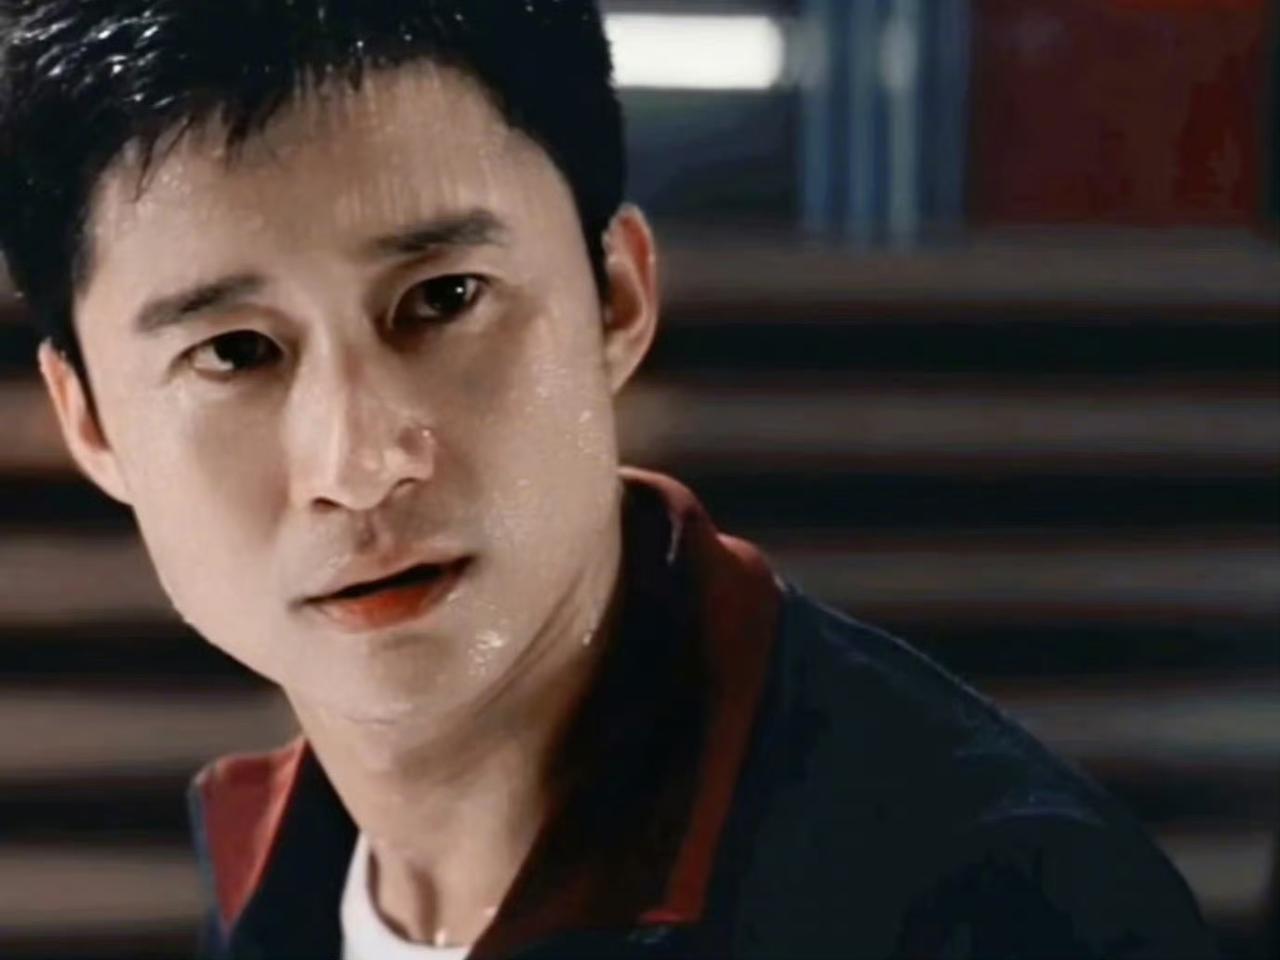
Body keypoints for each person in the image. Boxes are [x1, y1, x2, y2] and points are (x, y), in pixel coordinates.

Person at [0, 2, 1220, 958]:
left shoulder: (986, 908)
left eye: (443, 299)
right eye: (233, 354)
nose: (357, 464)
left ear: (617, 298)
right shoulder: (287, 874)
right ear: (90, 419)